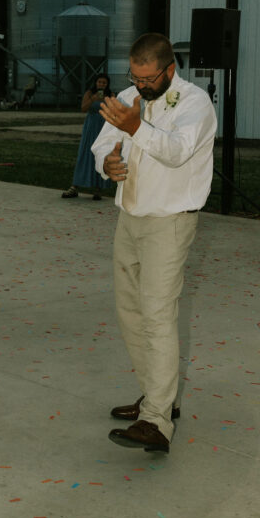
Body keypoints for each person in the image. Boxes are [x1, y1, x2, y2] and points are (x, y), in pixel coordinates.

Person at [91, 33, 217, 454]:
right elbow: (100, 145)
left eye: (148, 79)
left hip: (170, 222)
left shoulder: (195, 103)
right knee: (130, 312)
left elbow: (177, 151)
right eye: (135, 77)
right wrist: (107, 163)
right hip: (129, 216)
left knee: (158, 315)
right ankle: (158, 397)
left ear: (169, 69)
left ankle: (157, 422)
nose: (141, 86)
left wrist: (135, 128)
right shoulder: (128, 98)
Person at [62, 74, 114, 200]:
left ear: (107, 84)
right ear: (95, 82)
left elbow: (114, 110)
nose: (101, 85)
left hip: (104, 127)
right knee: (85, 154)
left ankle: (98, 188)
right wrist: (93, 99)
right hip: (91, 127)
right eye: (99, 82)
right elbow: (83, 108)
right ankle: (75, 186)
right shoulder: (89, 93)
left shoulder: (110, 95)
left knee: (101, 154)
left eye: (104, 83)